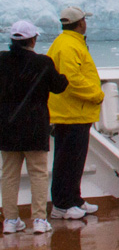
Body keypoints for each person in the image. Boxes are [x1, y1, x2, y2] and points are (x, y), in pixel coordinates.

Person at [1, 21, 68, 235]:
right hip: (34, 126)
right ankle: (39, 219)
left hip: (7, 126)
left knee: (9, 175)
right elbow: (59, 86)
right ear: (33, 40)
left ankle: (10, 220)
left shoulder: (1, 60)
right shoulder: (42, 63)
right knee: (38, 173)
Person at [46, 6, 103, 221]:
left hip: (74, 113)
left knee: (74, 160)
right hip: (70, 113)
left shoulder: (68, 42)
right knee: (67, 161)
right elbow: (72, 80)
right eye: (84, 20)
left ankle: (74, 199)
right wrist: (96, 95)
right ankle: (62, 204)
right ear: (80, 23)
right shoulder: (68, 46)